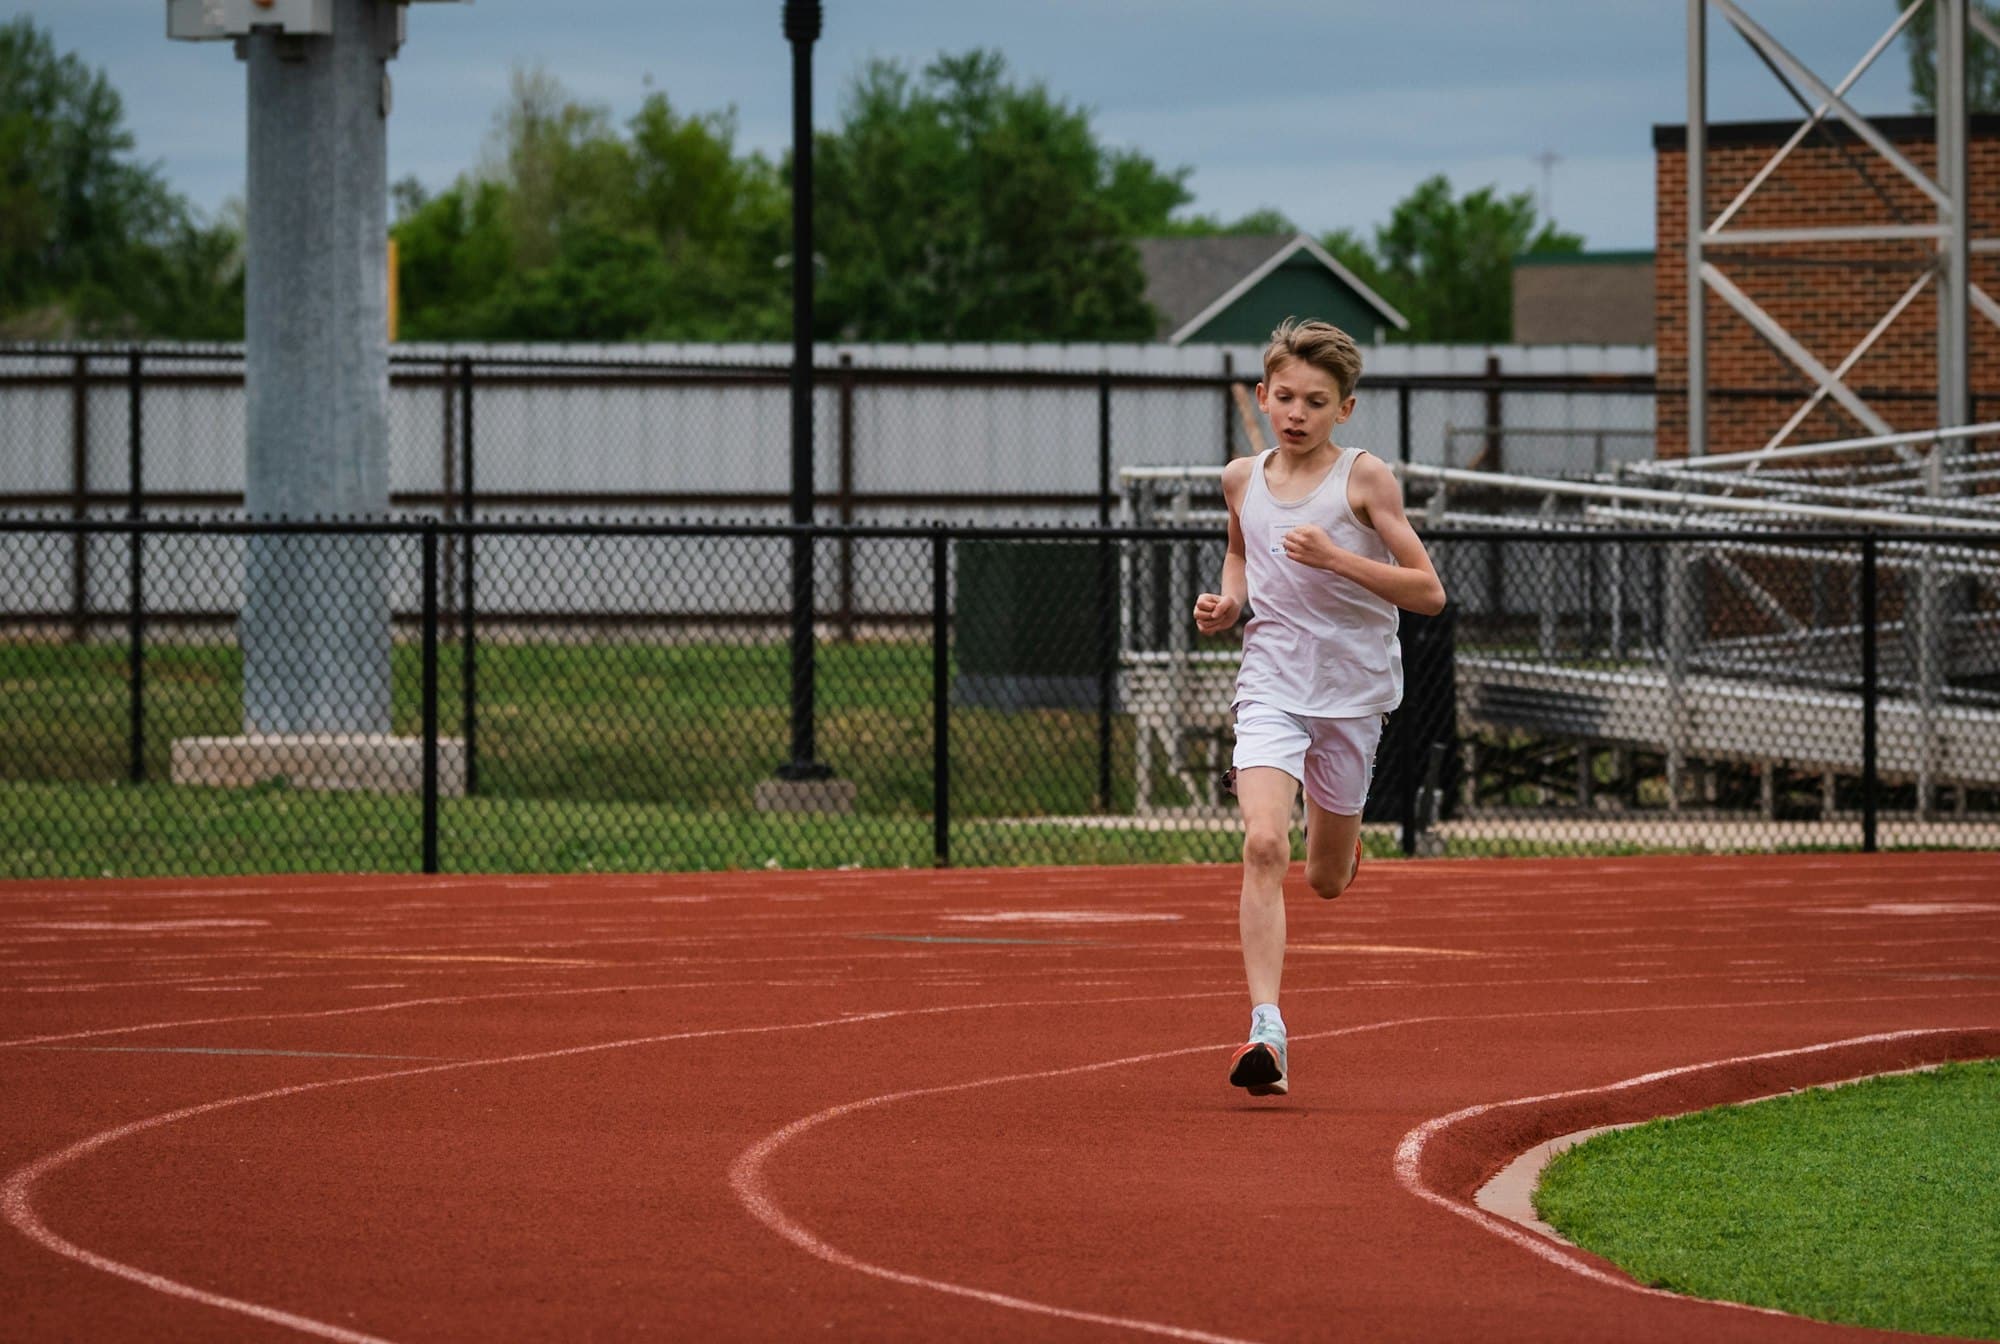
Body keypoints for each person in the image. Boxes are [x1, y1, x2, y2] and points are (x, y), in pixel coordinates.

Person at [1192, 317, 1446, 1098]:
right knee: (1263, 843)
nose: (1297, 412)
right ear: (1264, 396)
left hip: (1352, 695)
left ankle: (1343, 847)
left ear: (1346, 409)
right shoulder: (1241, 477)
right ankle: (1266, 1026)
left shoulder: (1365, 481)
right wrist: (1231, 603)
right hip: (1270, 682)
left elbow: (1429, 592)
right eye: (1286, 397)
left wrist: (1337, 557)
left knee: (1324, 879)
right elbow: (1241, 550)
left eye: (1317, 400)